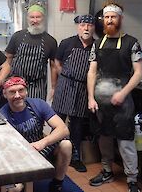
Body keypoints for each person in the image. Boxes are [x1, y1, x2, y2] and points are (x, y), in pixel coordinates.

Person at [87, 1, 142, 192]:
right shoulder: (97, 43)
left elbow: (138, 73)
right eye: (107, 17)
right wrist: (90, 98)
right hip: (101, 102)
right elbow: (92, 72)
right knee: (104, 138)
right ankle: (106, 171)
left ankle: (132, 179)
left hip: (123, 102)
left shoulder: (132, 43)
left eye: (113, 17)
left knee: (126, 142)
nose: (109, 20)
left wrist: (123, 93)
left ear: (120, 19)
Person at [0, 76, 72, 192]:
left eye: (21, 90)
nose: (17, 95)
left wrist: (42, 143)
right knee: (15, 189)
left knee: (66, 145)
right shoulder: (3, 115)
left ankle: (57, 183)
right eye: (12, 92)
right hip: (19, 155)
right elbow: (6, 150)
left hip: (40, 149)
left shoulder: (38, 104)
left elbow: (64, 129)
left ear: (26, 91)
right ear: (5, 94)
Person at [52, 14, 96, 173]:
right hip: (65, 85)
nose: (86, 28)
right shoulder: (67, 43)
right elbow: (56, 62)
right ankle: (51, 153)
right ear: (78, 26)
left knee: (77, 126)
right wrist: (62, 76)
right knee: (57, 121)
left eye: (89, 25)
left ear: (93, 28)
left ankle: (75, 158)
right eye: (83, 25)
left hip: (83, 88)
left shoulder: (96, 46)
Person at [5, 4, 57, 101]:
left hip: (37, 85)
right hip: (16, 83)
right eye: (32, 17)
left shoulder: (50, 41)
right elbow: (8, 59)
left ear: (43, 18)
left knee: (35, 111)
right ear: (28, 18)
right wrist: (4, 80)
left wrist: (54, 87)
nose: (35, 20)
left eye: (38, 17)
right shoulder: (17, 36)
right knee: (16, 111)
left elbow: (53, 66)